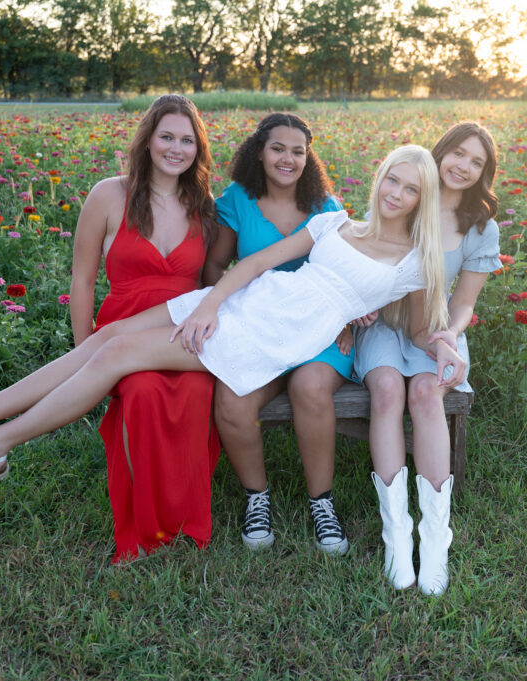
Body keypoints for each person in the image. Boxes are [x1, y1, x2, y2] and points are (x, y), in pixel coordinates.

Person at [0, 146, 466, 521]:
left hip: (278, 333)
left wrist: (445, 347)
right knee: (109, 337)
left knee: (123, 352)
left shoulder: (414, 262)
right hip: (247, 300)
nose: (395, 194)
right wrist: (208, 306)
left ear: (423, 197)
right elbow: (259, 264)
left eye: (410, 188)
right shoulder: (336, 221)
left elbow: (420, 325)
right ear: (380, 178)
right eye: (392, 179)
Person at [69, 94, 221, 563]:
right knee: (143, 390)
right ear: (148, 140)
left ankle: (182, 521)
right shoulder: (109, 194)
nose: (176, 148)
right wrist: (84, 355)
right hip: (123, 330)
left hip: (185, 333)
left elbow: (214, 282)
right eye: (167, 137)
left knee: (194, 394)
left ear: (198, 147)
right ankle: (144, 528)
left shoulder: (205, 205)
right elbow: (83, 278)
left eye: (187, 140)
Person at [353, 123, 501, 595]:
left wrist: (450, 336)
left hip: (437, 331)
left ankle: (435, 538)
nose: (463, 166)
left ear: (484, 173)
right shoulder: (411, 197)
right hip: (383, 324)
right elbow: (366, 256)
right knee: (388, 389)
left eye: (476, 162)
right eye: (458, 153)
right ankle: (397, 534)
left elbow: (464, 303)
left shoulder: (481, 226)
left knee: (424, 392)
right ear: (440, 153)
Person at [203, 113, 351, 555]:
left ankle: (321, 503)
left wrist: (346, 322)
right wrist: (220, 311)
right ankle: (257, 497)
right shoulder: (238, 200)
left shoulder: (326, 207)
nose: (288, 158)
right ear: (259, 151)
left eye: (298, 151)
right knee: (231, 399)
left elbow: (350, 274)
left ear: (309, 157)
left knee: (310, 387)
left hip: (320, 331)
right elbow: (216, 265)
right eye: (278, 148)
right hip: (258, 327)